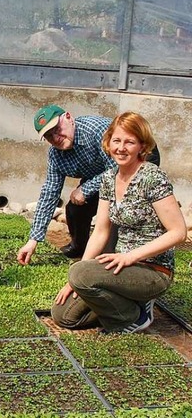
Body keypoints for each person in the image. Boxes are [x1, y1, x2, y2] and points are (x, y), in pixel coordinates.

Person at [51, 112, 186, 334]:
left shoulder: (152, 177)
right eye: (117, 141)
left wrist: (130, 256)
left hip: (152, 270)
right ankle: (130, 303)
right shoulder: (109, 177)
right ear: (108, 142)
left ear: (142, 146)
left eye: (130, 142)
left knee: (81, 275)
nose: (121, 148)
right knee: (63, 314)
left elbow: (178, 232)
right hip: (120, 267)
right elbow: (101, 232)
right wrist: (75, 279)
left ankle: (133, 318)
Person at [17, 104, 160, 264]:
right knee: (75, 208)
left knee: (116, 214)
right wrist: (33, 240)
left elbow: (118, 170)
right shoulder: (55, 155)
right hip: (102, 172)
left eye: (57, 129)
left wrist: (86, 188)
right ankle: (80, 247)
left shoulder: (95, 131)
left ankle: (119, 250)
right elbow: (50, 192)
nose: (56, 137)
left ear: (69, 118)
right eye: (49, 136)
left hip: (135, 157)